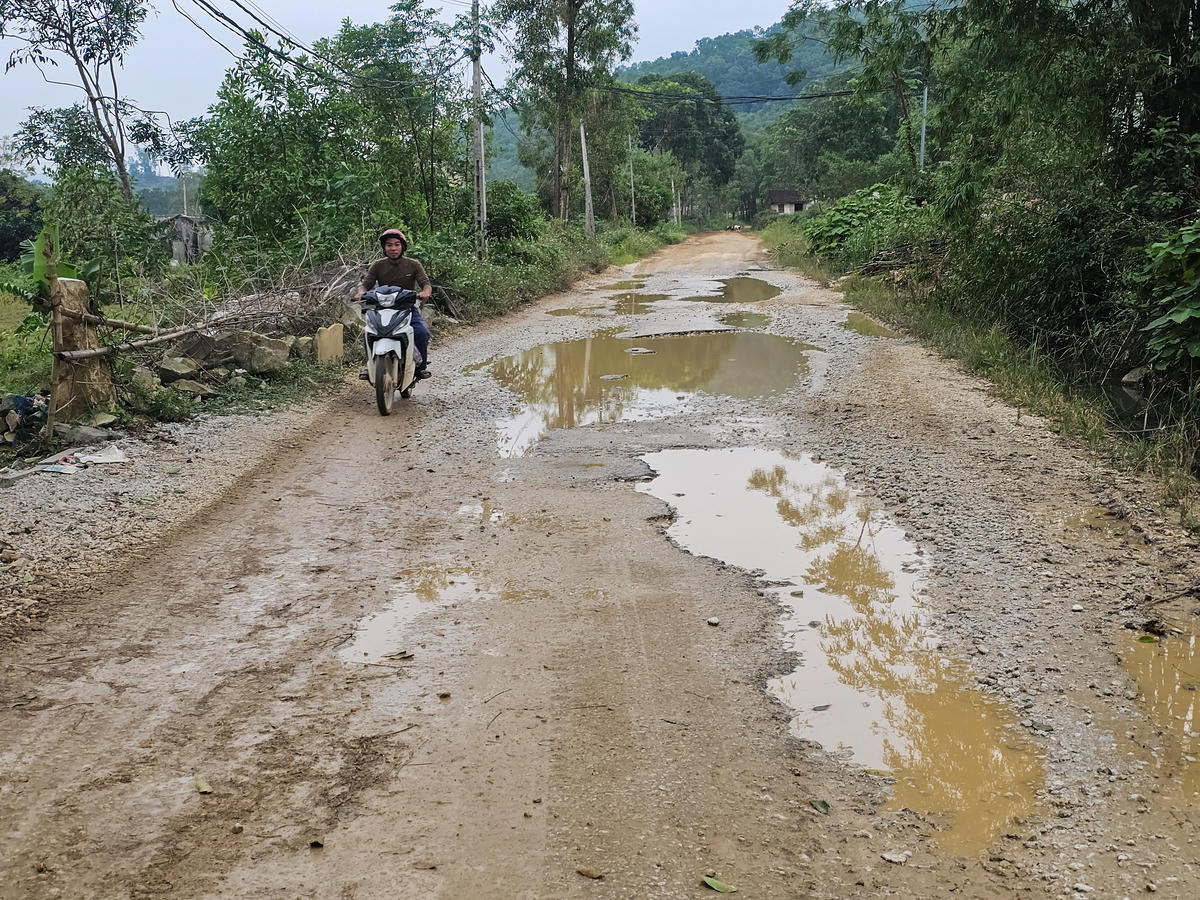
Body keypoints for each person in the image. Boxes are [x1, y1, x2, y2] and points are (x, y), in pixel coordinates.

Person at [355, 229, 433, 378]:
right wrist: (361, 292)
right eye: (389, 245)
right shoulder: (377, 265)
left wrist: (425, 292)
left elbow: (426, 283)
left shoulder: (413, 264)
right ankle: (370, 365)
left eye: (397, 244)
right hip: (381, 308)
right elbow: (366, 283)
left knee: (421, 333)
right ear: (384, 248)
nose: (393, 248)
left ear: (402, 247)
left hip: (407, 308)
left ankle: (420, 368)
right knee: (367, 334)